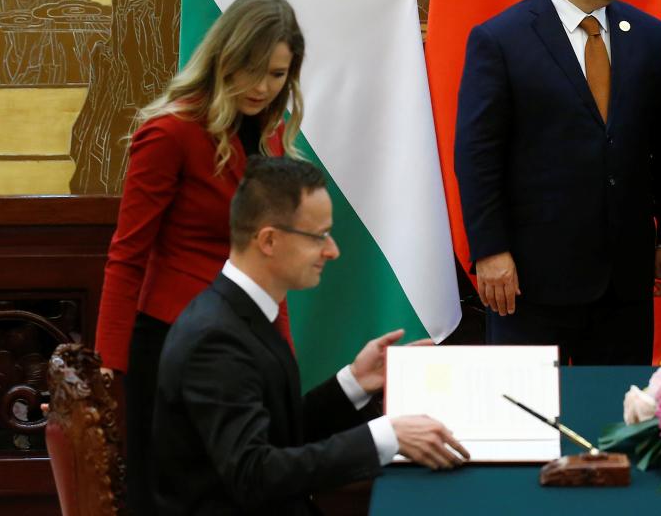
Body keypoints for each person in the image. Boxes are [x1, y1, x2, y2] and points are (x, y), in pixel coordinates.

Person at [152, 157, 469, 514]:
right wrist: (385, 436)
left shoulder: (242, 315)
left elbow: (277, 434)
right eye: (319, 236)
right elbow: (253, 472)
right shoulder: (215, 340)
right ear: (269, 240)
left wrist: (355, 381)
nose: (332, 251)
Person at [93, 0, 305, 514]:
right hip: (173, 345)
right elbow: (127, 256)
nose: (263, 86)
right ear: (223, 56)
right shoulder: (169, 132)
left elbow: (267, 267)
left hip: (250, 345)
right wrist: (106, 373)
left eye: (278, 74)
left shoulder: (272, 139)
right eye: (252, 69)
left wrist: (284, 358)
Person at [454, 0, 661, 364]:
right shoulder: (501, 40)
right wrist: (490, 250)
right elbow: (478, 156)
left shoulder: (650, 37)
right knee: (531, 419)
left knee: (619, 418)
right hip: (530, 278)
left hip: (625, 278)